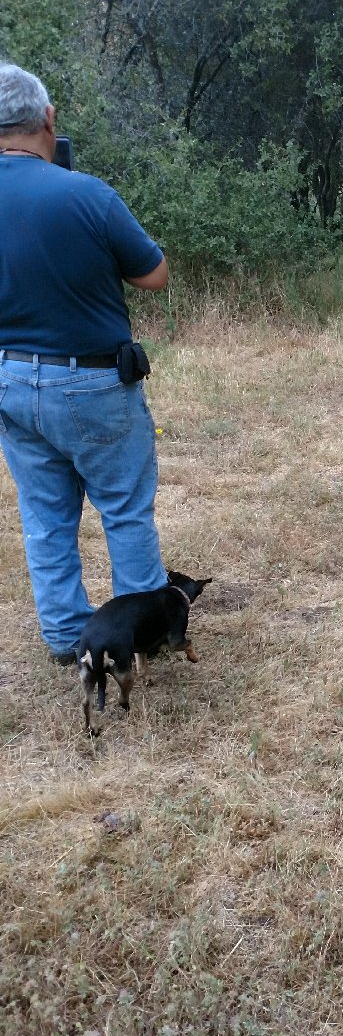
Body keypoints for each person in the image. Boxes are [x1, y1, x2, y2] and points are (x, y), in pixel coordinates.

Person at [0, 63, 170, 664]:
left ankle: (65, 638)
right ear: (47, 119)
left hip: (10, 378)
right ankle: (142, 633)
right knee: (123, 508)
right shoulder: (87, 194)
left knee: (44, 514)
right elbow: (154, 275)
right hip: (94, 380)